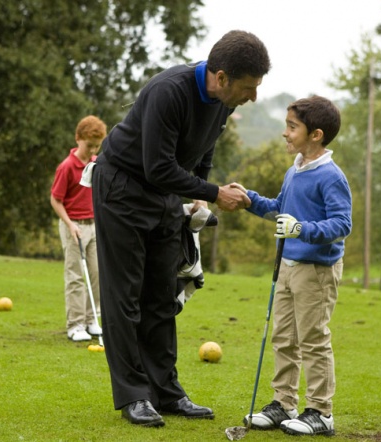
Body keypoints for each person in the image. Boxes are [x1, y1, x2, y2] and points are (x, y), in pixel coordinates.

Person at [91, 29, 270, 428]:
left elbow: (205, 147)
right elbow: (156, 166)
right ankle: (134, 396)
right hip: (122, 187)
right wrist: (213, 191)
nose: (253, 96)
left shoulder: (223, 102)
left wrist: (201, 195)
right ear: (221, 77)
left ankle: (166, 392)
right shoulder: (168, 91)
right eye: (249, 87)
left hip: (165, 195)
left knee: (162, 292)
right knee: (125, 296)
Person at [242, 96, 352, 437]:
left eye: (292, 127)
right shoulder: (296, 169)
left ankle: (321, 412)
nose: (285, 134)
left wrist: (302, 229)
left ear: (315, 134)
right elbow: (281, 208)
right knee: (284, 337)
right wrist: (249, 199)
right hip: (288, 265)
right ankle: (284, 403)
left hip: (316, 270)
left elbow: (341, 223)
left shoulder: (331, 176)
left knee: (313, 340)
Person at [51, 115, 107, 342]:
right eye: (89, 145)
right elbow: (55, 200)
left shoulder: (96, 164)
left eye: (96, 146)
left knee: (96, 274)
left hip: (94, 225)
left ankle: (91, 319)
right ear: (78, 139)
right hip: (72, 226)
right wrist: (70, 224)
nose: (92, 150)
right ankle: (75, 324)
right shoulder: (67, 167)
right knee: (75, 276)